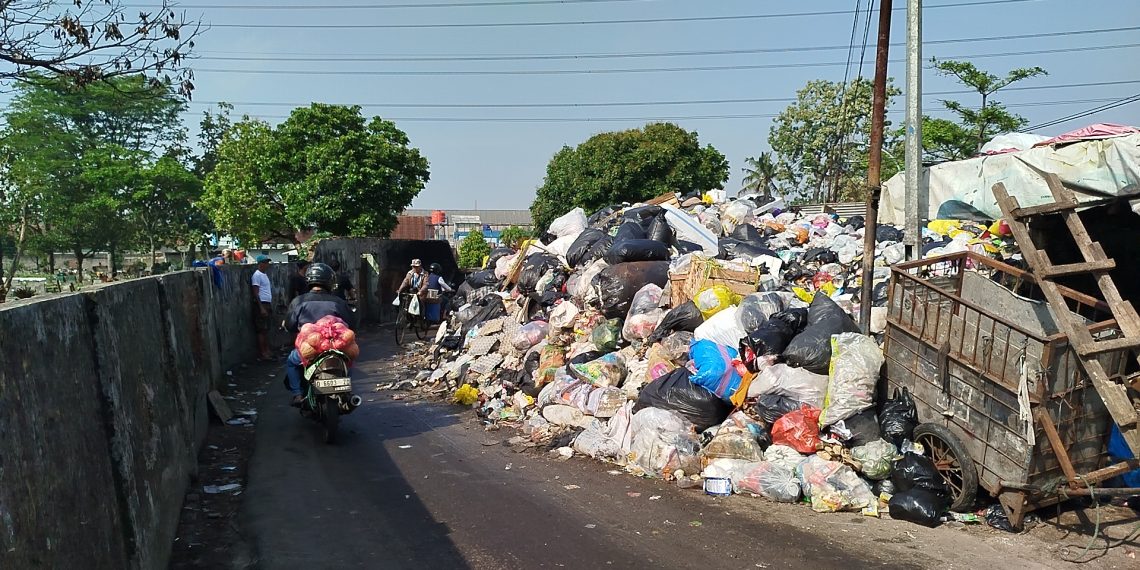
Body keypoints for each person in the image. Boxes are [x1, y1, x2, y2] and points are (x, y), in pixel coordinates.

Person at [284, 263, 353, 405]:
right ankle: (347, 391)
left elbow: (290, 326)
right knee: (348, 360)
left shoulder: (298, 301)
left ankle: (297, 394)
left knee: (291, 362)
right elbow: (351, 324)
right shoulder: (339, 302)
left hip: (309, 348)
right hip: (335, 346)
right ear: (329, 281)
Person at [251, 255, 274, 361]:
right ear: (260, 264)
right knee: (261, 330)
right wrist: (261, 307)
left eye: (267, 262)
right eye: (265, 262)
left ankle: (267, 350)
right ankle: (263, 352)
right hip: (262, 304)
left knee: (266, 330)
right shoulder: (257, 275)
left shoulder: (264, 275)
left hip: (267, 303)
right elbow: (256, 292)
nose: (267, 264)